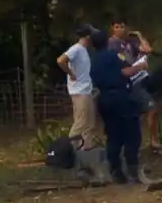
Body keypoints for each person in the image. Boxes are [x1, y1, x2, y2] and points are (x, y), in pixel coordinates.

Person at [89, 30, 141, 184]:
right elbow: (126, 71)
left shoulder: (93, 60)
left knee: (113, 135)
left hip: (104, 99)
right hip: (120, 97)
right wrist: (140, 66)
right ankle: (132, 170)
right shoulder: (114, 55)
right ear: (107, 41)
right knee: (131, 133)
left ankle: (115, 170)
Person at [57, 24, 101, 148]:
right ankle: (69, 149)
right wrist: (70, 73)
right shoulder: (76, 49)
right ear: (88, 37)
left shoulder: (84, 50)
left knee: (89, 124)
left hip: (87, 91)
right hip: (79, 92)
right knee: (80, 123)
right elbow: (61, 60)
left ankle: (86, 148)